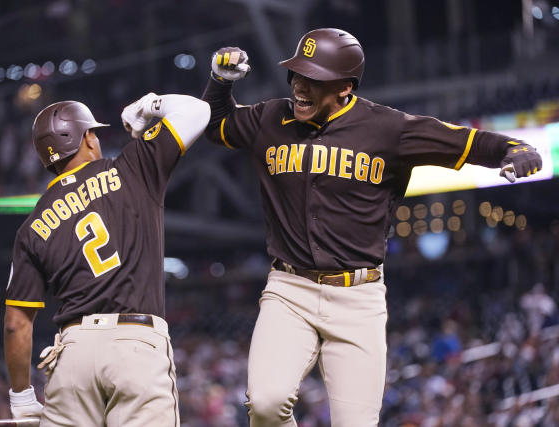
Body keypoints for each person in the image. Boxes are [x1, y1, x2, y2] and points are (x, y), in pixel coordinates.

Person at [201, 28, 542, 426]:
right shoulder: (270, 118)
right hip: (289, 290)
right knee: (265, 403)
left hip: (358, 298)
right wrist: (220, 83)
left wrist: (515, 148)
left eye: (314, 80)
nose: (299, 87)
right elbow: (217, 126)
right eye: (296, 75)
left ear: (345, 87)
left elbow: (464, 141)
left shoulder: (388, 129)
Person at [3, 93, 210, 426]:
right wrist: (146, 107)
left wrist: (22, 398)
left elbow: (16, 324)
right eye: (94, 132)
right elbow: (198, 110)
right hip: (135, 346)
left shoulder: (31, 228)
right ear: (86, 137)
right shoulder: (131, 167)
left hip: (71, 357)